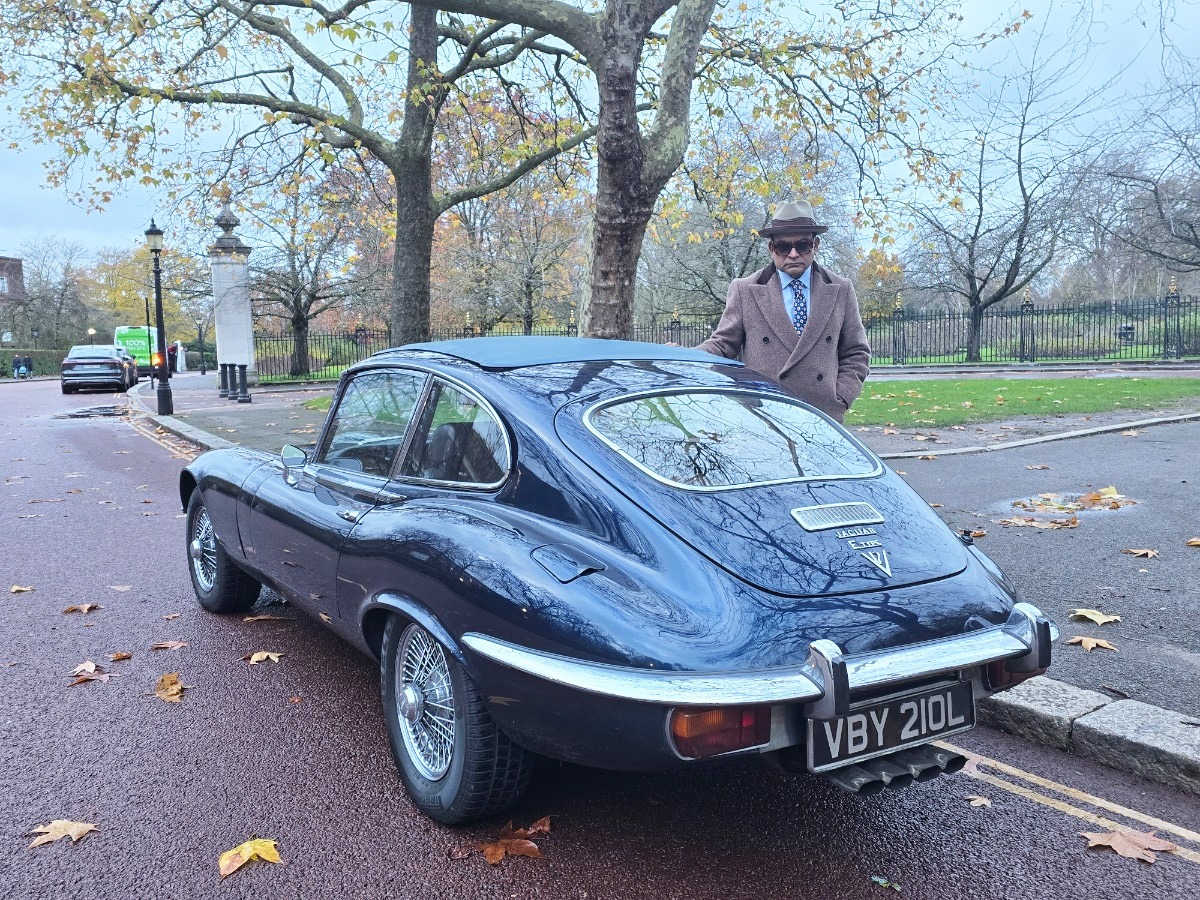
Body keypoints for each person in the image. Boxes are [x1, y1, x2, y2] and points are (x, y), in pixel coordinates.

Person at [697, 199, 870, 422]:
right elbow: (722, 345)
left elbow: (857, 353)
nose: (793, 253)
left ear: (815, 245)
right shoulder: (745, 290)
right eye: (783, 246)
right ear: (772, 248)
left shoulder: (840, 290)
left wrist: (840, 398)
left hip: (822, 417)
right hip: (765, 416)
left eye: (803, 245)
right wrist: (683, 356)